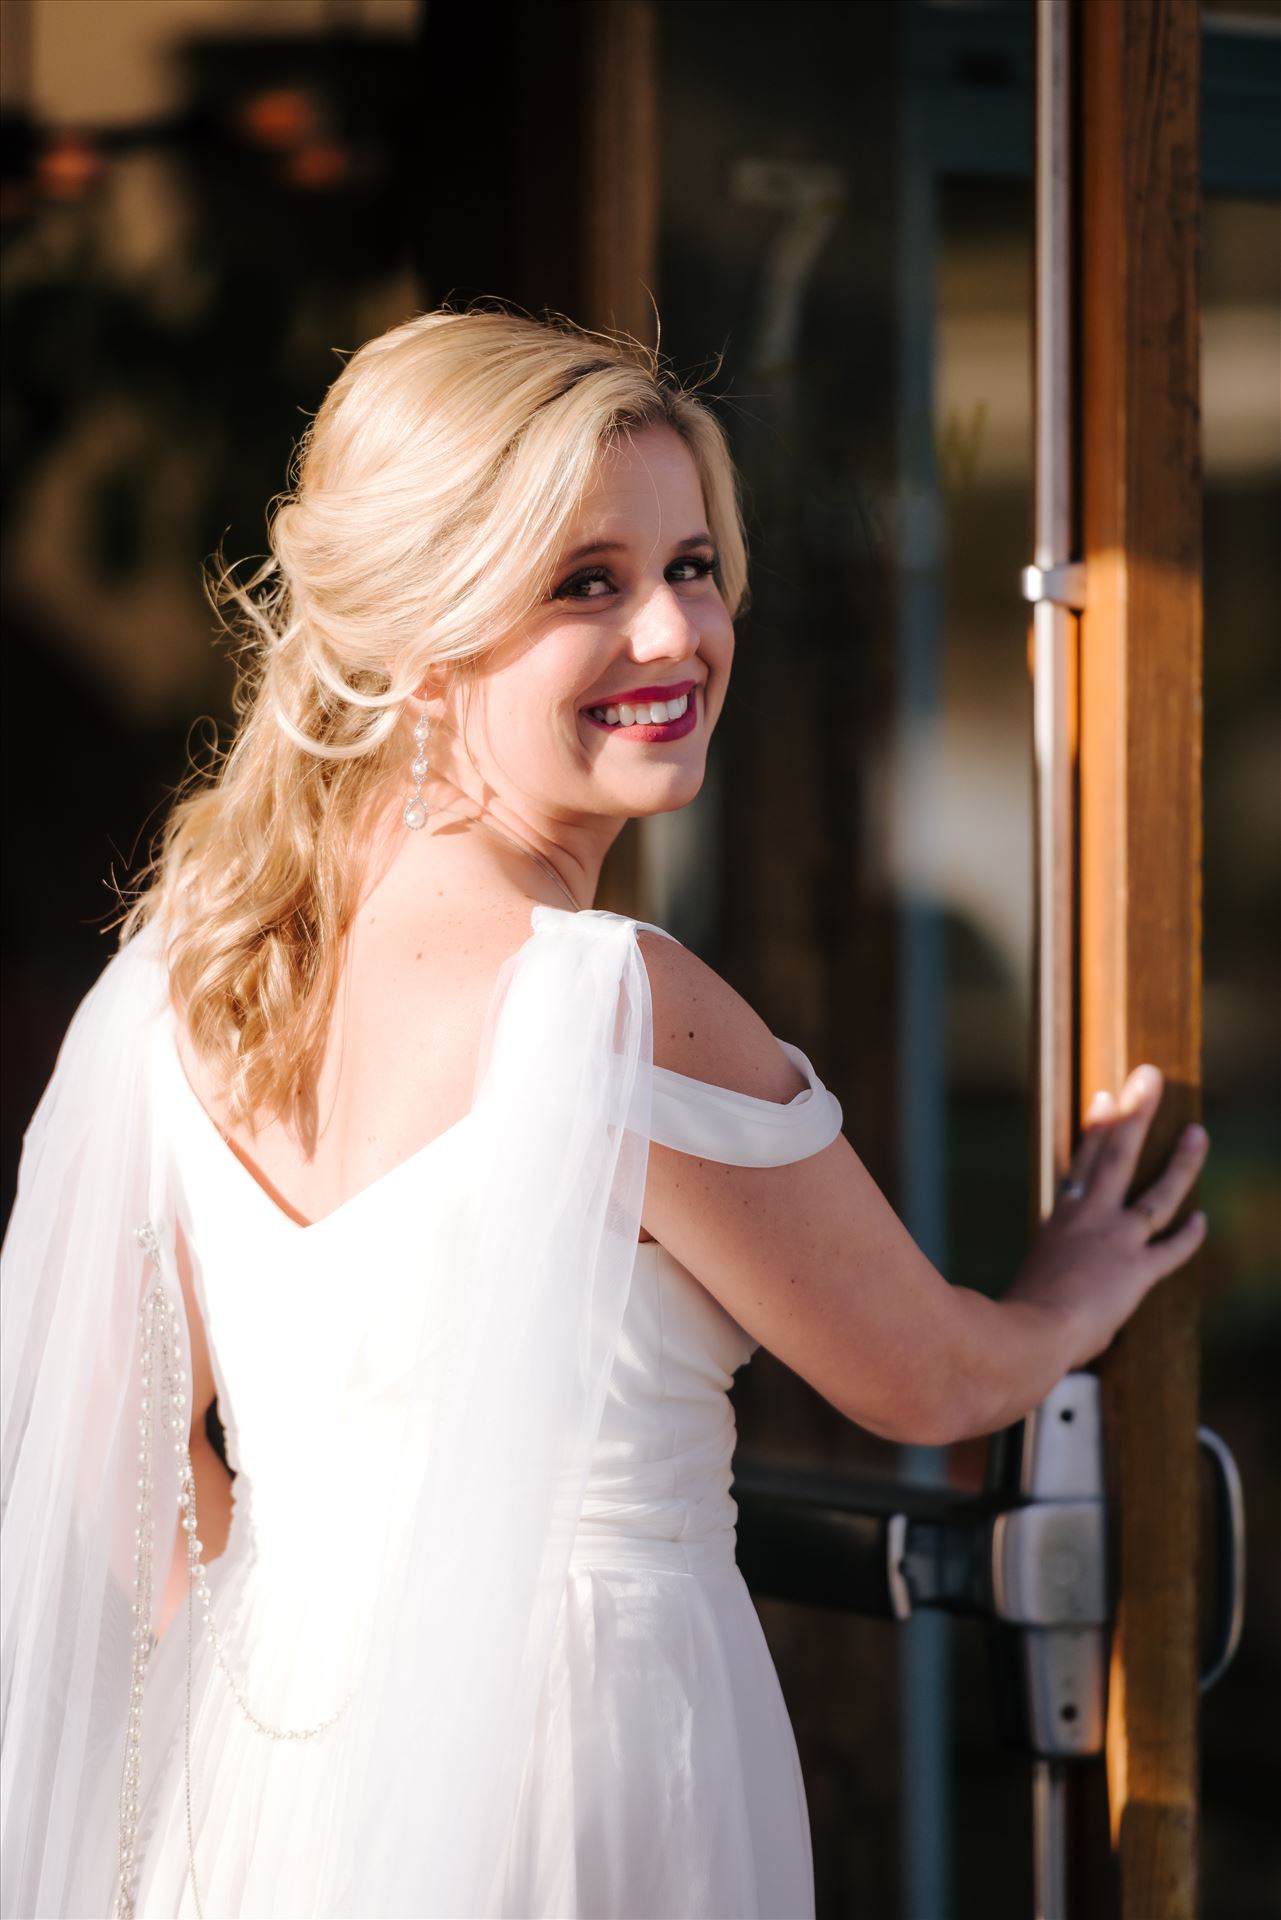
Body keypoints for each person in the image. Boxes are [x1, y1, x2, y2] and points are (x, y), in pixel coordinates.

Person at [0, 307, 1209, 1920]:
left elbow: (110, 1453)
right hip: (587, 1763)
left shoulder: (182, 987)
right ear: (419, 641)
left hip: (269, 1791)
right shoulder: (600, 997)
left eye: (695, 566)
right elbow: (926, 1379)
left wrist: (290, 1660)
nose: (674, 633)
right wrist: (1067, 1291)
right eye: (588, 582)